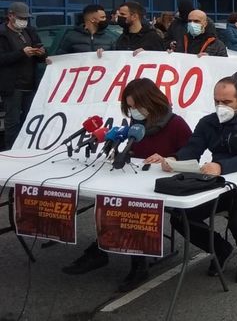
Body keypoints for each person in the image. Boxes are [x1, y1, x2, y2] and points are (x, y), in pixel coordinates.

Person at [62, 78, 192, 291]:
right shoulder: (136, 125)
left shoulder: (176, 123)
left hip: (162, 183)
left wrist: (171, 158)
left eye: (136, 106)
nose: (133, 112)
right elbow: (136, 149)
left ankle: (137, 265)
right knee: (109, 198)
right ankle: (100, 250)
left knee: (130, 205)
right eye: (130, 107)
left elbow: (192, 151)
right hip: (137, 179)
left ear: (151, 101)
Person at [145, 77, 237, 283]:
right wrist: (173, 159)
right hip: (218, 184)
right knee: (180, 216)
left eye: (227, 102)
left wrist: (221, 166)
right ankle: (221, 249)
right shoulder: (208, 122)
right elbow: (193, 148)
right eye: (217, 101)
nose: (221, 106)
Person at [0, 3, 46, 150]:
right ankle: (11, 151)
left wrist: (41, 53)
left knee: (29, 119)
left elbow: (41, 50)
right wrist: (21, 53)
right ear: (10, 15)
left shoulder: (30, 31)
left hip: (30, 84)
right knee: (12, 121)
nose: (24, 21)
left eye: (26, 18)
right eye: (21, 18)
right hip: (12, 86)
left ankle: (27, 148)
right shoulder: (2, 34)